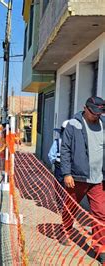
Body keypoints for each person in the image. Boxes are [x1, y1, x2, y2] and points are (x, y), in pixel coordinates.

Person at [61, 96, 105, 255]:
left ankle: (100, 248)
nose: (96, 115)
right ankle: (65, 230)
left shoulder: (104, 124)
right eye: (94, 112)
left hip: (98, 179)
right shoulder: (74, 124)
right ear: (85, 108)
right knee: (70, 207)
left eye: (99, 113)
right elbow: (65, 149)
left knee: (101, 213)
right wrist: (67, 173)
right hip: (77, 177)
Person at [48, 120, 69, 185]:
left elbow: (51, 155)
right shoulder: (74, 143)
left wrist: (54, 162)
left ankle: (59, 195)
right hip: (67, 168)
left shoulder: (57, 142)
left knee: (59, 186)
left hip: (59, 167)